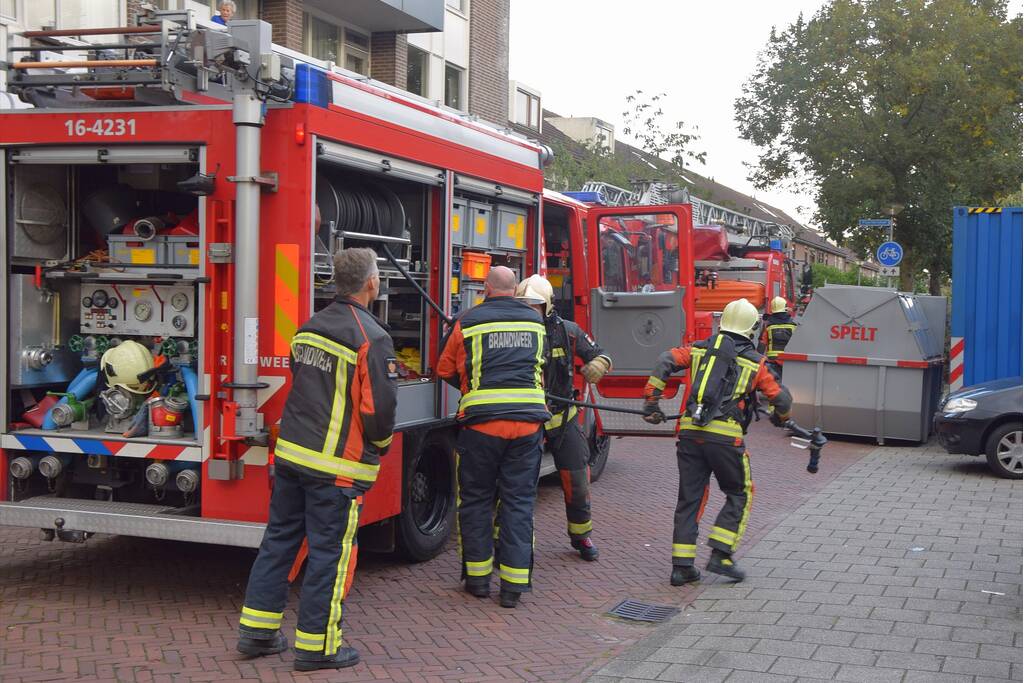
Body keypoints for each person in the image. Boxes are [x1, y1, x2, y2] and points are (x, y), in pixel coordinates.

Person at [236, 248, 397, 671]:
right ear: (371, 283)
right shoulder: (372, 337)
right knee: (331, 555)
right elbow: (378, 411)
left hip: (291, 456)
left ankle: (257, 632)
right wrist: (379, 446)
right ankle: (318, 647)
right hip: (336, 469)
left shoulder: (307, 328)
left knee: (279, 542)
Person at [642, 298, 792, 586]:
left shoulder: (698, 350)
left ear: (721, 324)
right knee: (740, 492)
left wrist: (652, 400)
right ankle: (721, 555)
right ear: (752, 329)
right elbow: (780, 398)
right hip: (725, 438)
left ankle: (682, 567)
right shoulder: (756, 363)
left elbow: (665, 360)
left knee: (690, 498)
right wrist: (781, 418)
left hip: (689, 434)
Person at [437, 266, 549, 609]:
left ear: (485, 288)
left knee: (476, 501)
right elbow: (539, 366)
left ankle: (478, 581)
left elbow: (444, 369)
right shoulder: (536, 322)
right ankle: (513, 587)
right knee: (518, 503)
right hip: (528, 426)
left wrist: (472, 387)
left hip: (482, 427)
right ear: (516, 290)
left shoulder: (467, 321)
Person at [515, 274, 611, 561]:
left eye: (535, 306)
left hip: (561, 417)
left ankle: (581, 536)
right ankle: (508, 541)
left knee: (577, 478)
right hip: (527, 419)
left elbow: (601, 353)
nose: (529, 311)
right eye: (524, 305)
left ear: (547, 307)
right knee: (517, 485)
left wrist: (598, 365)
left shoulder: (567, 331)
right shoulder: (512, 332)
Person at [759, 296, 797, 379]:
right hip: (790, 360)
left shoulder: (767, 324)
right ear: (785, 307)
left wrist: (757, 361)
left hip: (772, 361)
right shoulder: (794, 323)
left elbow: (762, 344)